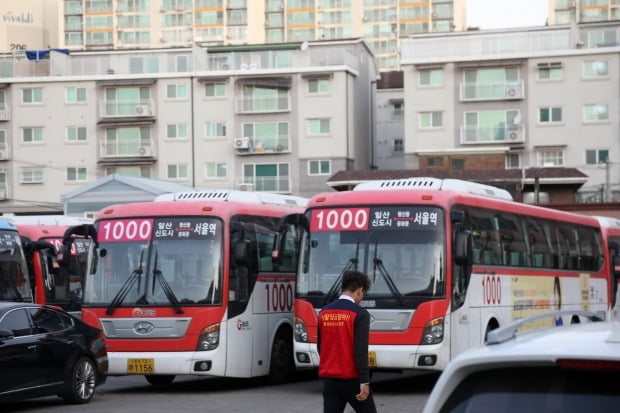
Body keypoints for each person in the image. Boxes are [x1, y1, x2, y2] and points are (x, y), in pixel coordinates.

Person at [317, 270, 377, 413]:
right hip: (353, 379)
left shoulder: (324, 312)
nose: (362, 298)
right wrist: (364, 381)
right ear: (359, 290)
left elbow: (321, 346)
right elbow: (360, 351)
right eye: (363, 294)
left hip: (330, 380)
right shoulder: (360, 313)